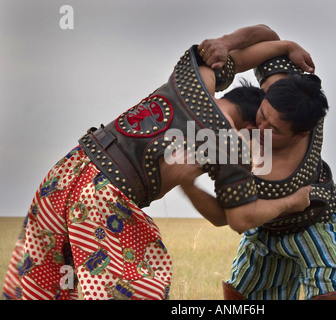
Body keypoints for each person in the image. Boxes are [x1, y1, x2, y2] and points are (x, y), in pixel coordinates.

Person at [2, 25, 315, 300]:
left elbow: (247, 47)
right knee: (137, 286)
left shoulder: (194, 80)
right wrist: (293, 201)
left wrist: (283, 46)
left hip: (70, 169)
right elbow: (238, 219)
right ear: (249, 127)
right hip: (104, 198)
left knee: (37, 285)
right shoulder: (226, 144)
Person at [181, 53, 336, 300]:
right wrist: (187, 184)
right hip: (266, 232)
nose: (260, 129)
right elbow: (224, 217)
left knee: (335, 291)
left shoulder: (308, 122)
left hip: (318, 220)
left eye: (274, 129)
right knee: (244, 298)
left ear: (301, 134)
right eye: (262, 114)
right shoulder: (237, 149)